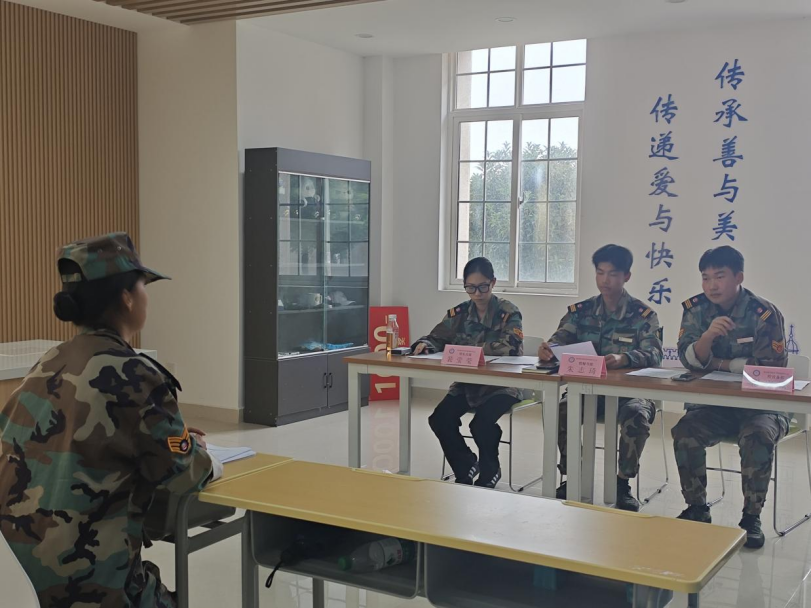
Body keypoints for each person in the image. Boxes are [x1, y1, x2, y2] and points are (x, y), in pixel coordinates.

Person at [0, 233, 222, 607]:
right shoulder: (133, 374)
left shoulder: (47, 363)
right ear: (127, 297)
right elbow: (186, 474)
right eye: (143, 285)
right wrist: (196, 448)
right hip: (89, 586)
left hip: (17, 583)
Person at [672, 246, 787, 549]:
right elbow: (689, 361)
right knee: (685, 432)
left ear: (739, 277)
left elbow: (771, 368)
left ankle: (751, 518)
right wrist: (707, 336)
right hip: (715, 406)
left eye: (719, 276)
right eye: (705, 277)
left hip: (762, 407)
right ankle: (697, 508)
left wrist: (721, 364)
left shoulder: (763, 313)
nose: (711, 285)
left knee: (757, 435)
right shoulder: (695, 310)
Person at [537, 245, 662, 511]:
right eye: (600, 272)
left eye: (613, 274)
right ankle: (573, 474)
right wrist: (549, 349)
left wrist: (624, 358)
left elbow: (654, 354)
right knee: (561, 410)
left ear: (626, 276)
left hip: (630, 393)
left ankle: (622, 484)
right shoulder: (580, 311)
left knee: (636, 416)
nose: (605, 280)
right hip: (586, 389)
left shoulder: (643, 315)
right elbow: (559, 340)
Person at [413, 257, 523, 488]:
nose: (477, 293)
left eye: (483, 286)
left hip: (502, 385)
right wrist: (425, 344)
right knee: (440, 419)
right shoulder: (459, 313)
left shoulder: (508, 312)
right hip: (468, 384)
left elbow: (511, 347)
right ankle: (465, 465)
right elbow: (436, 337)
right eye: (470, 288)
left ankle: (490, 470)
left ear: (493, 283)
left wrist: (468, 350)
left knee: (480, 424)